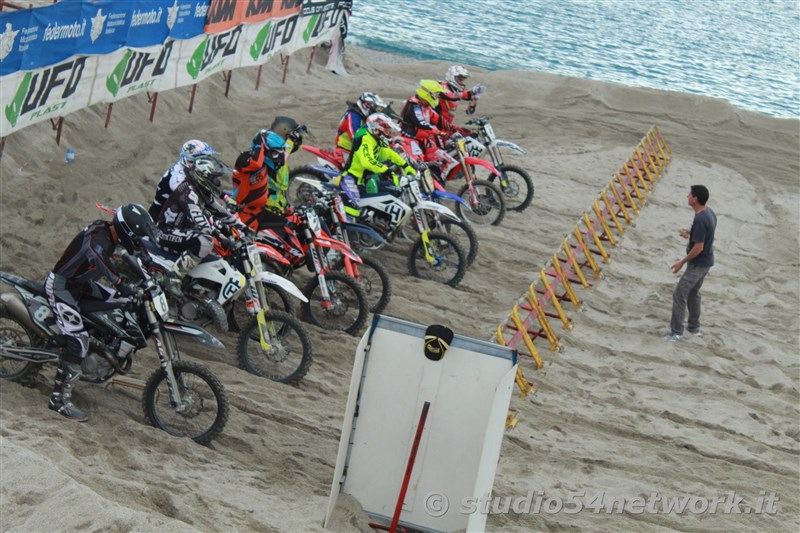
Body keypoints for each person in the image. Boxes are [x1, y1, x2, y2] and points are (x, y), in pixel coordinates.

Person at [44, 204, 156, 421]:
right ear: (127, 231)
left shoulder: (113, 235)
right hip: (62, 286)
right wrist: (120, 282)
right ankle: (58, 399)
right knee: (78, 340)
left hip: (81, 285)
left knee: (120, 304)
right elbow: (96, 256)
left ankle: (103, 348)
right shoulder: (99, 236)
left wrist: (153, 268)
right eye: (135, 237)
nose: (137, 241)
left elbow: (140, 249)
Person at [156, 152, 242, 293]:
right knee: (206, 241)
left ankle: (192, 282)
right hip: (166, 232)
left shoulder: (201, 190)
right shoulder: (188, 191)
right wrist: (221, 236)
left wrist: (244, 228)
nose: (218, 183)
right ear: (204, 176)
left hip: (182, 231)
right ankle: (172, 278)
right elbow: (200, 220)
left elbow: (221, 212)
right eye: (215, 179)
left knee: (213, 248)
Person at [233, 116, 306, 231]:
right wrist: (290, 140)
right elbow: (280, 159)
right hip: (266, 208)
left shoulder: (280, 148)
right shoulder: (269, 153)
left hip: (279, 206)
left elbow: (289, 150)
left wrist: (294, 137)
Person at [666, 185, 717, 341]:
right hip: (706, 263)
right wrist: (690, 234)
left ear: (695, 199)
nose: (687, 196)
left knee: (679, 294)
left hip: (698, 264)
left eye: (689, 194)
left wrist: (682, 261)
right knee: (694, 293)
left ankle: (676, 332)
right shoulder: (709, 213)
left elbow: (699, 247)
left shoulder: (701, 218)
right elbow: (704, 235)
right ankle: (694, 327)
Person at [339, 112, 415, 199]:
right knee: (354, 212)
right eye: (387, 131)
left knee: (393, 192)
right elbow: (368, 162)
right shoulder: (365, 138)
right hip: (351, 181)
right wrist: (388, 171)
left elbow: (388, 153)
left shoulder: (374, 140)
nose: (389, 134)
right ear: (376, 129)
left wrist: (405, 165)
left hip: (364, 181)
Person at [148, 140, 219, 220]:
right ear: (190, 160)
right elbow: (190, 202)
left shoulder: (193, 171)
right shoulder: (177, 177)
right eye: (203, 159)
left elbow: (209, 188)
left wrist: (226, 197)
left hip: (180, 215)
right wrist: (209, 216)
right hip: (162, 219)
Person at [334, 92, 388, 166]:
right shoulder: (352, 115)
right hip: (345, 152)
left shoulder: (365, 116)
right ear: (366, 105)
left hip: (359, 151)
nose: (375, 111)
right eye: (374, 108)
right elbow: (355, 136)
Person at [437, 65, 486, 133]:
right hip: (435, 125)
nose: (462, 81)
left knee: (471, 135)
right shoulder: (442, 86)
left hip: (447, 125)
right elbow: (451, 96)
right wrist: (471, 92)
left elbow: (469, 111)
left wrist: (475, 97)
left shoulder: (457, 90)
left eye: (463, 79)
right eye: (460, 78)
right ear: (452, 77)